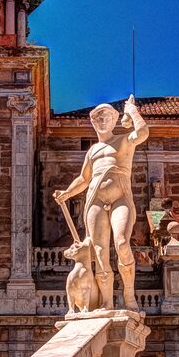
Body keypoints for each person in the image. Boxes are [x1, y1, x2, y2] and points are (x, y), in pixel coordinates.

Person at [51, 96, 148, 311]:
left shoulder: (123, 141)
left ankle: (129, 295)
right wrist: (67, 193)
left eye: (107, 117)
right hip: (94, 198)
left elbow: (143, 133)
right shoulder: (92, 151)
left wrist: (131, 111)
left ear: (115, 120)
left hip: (120, 197)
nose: (103, 120)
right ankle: (106, 302)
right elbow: (84, 179)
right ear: (93, 123)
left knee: (122, 241)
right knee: (99, 251)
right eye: (98, 118)